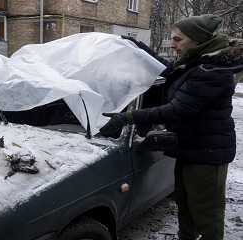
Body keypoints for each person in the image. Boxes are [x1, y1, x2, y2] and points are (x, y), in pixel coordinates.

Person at [100, 14, 243, 240]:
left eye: (178, 40)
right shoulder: (198, 61)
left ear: (197, 40)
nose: (173, 45)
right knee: (185, 206)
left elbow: (177, 109)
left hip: (208, 155)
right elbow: (171, 71)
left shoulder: (213, 72)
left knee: (207, 215)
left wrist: (127, 117)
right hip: (191, 146)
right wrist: (141, 49)